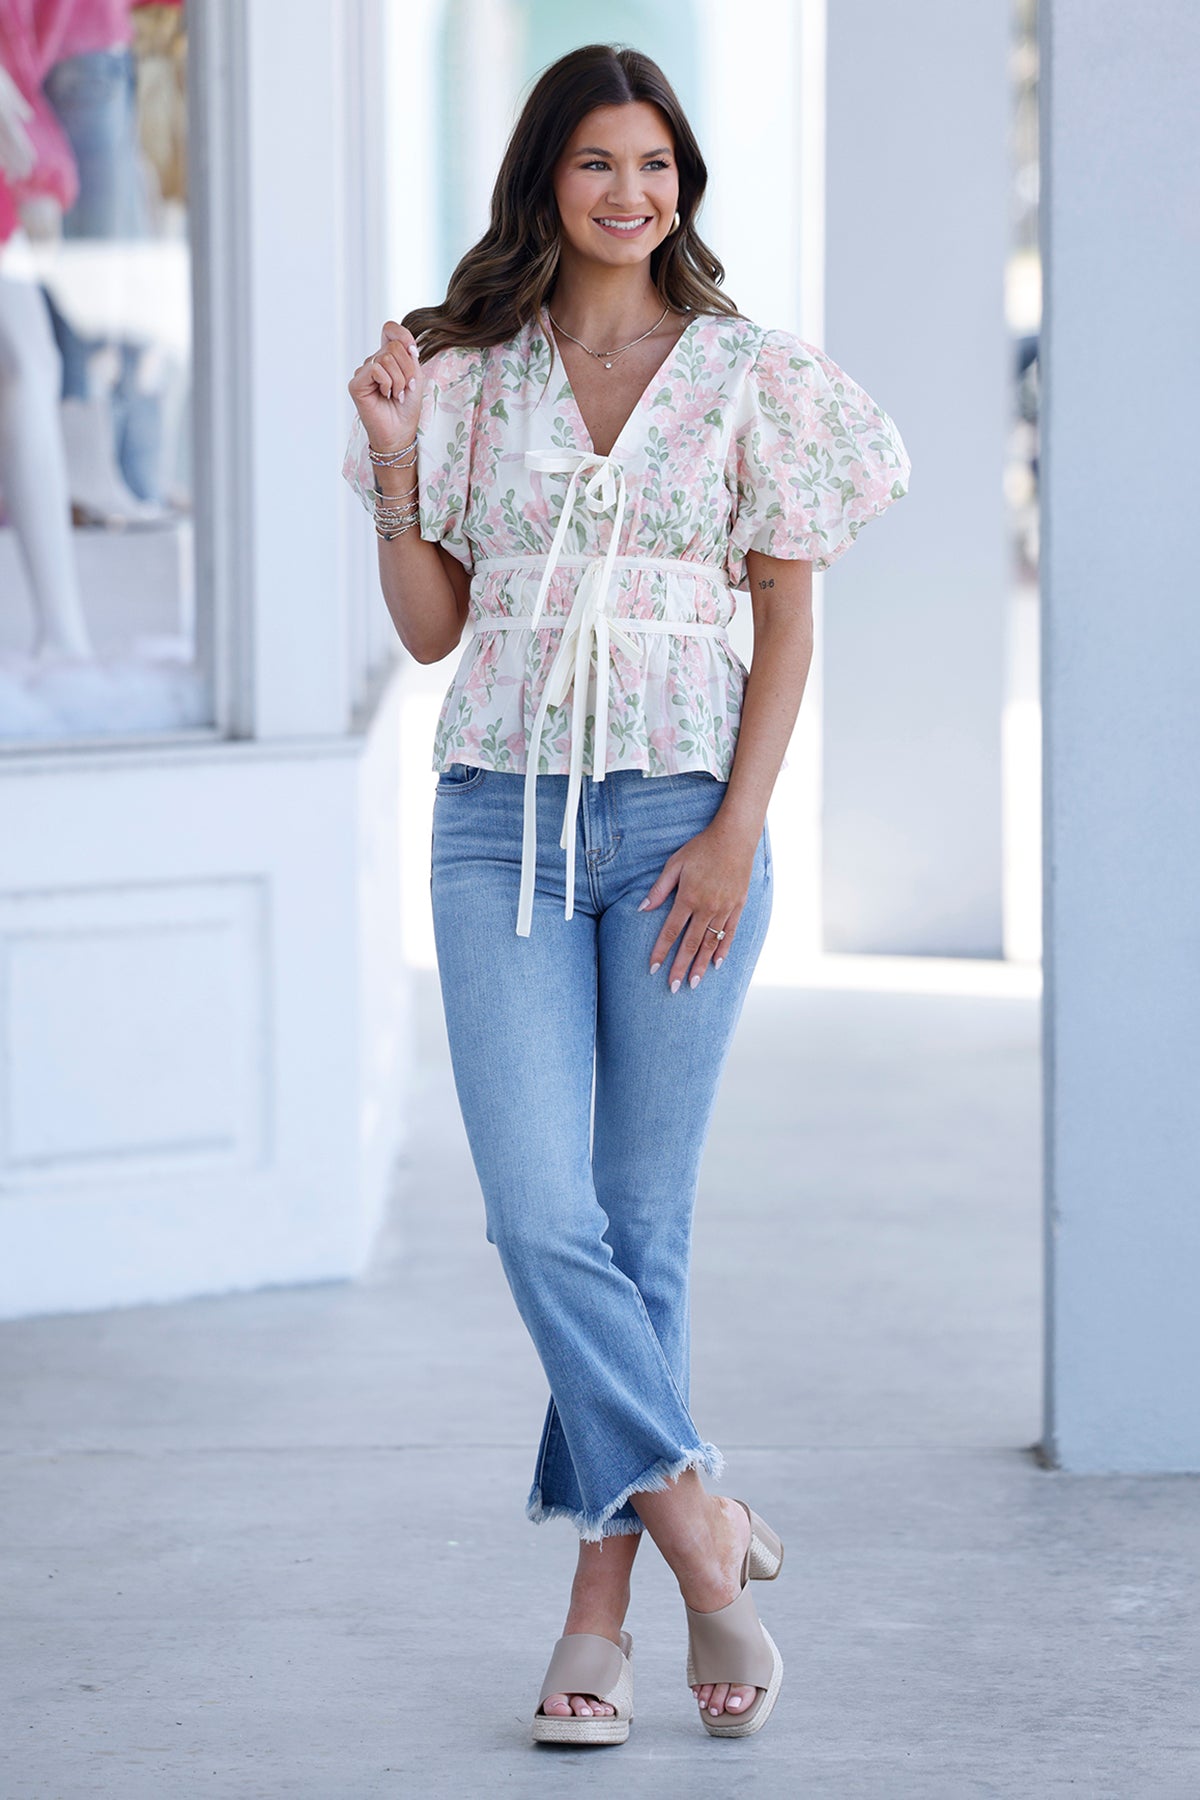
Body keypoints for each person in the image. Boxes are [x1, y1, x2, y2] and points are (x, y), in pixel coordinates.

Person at [343, 42, 910, 1747]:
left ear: (683, 186)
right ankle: (700, 1531)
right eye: (600, 165)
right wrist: (389, 461)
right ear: (547, 181)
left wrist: (736, 832)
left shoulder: (757, 378)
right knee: (540, 1218)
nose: (633, 195)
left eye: (658, 166)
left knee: (639, 1221)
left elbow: (791, 626)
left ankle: (601, 1615)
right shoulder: (460, 374)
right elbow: (436, 631)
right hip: (494, 819)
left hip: (679, 816)